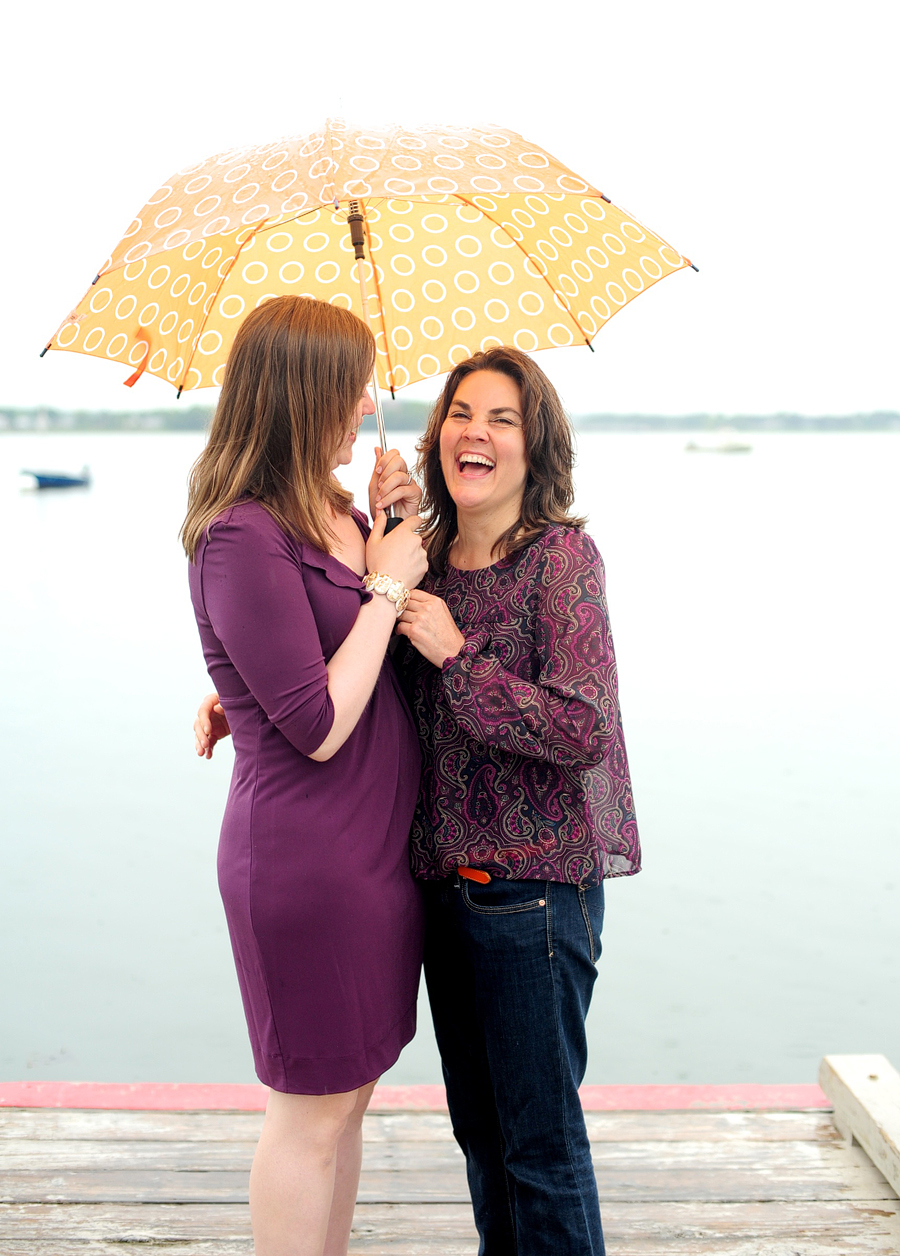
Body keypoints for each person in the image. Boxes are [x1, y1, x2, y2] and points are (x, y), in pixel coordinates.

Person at [196, 346, 640, 1256]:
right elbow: (358, 685)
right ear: (437, 436)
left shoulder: (560, 560)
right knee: (484, 1141)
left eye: (502, 419)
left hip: (531, 899)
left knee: (542, 1148)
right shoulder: (419, 555)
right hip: (437, 887)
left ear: (535, 446)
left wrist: (455, 655)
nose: (475, 431)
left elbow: (581, 731)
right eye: (462, 414)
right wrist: (245, 696)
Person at [181, 295, 428, 1256]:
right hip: (306, 862)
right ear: (301, 392)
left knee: (349, 1102)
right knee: (307, 1115)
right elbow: (319, 722)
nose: (366, 397)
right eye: (351, 381)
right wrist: (387, 585)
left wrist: (398, 523)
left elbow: (372, 657)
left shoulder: (334, 509)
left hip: (375, 857)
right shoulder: (240, 533)